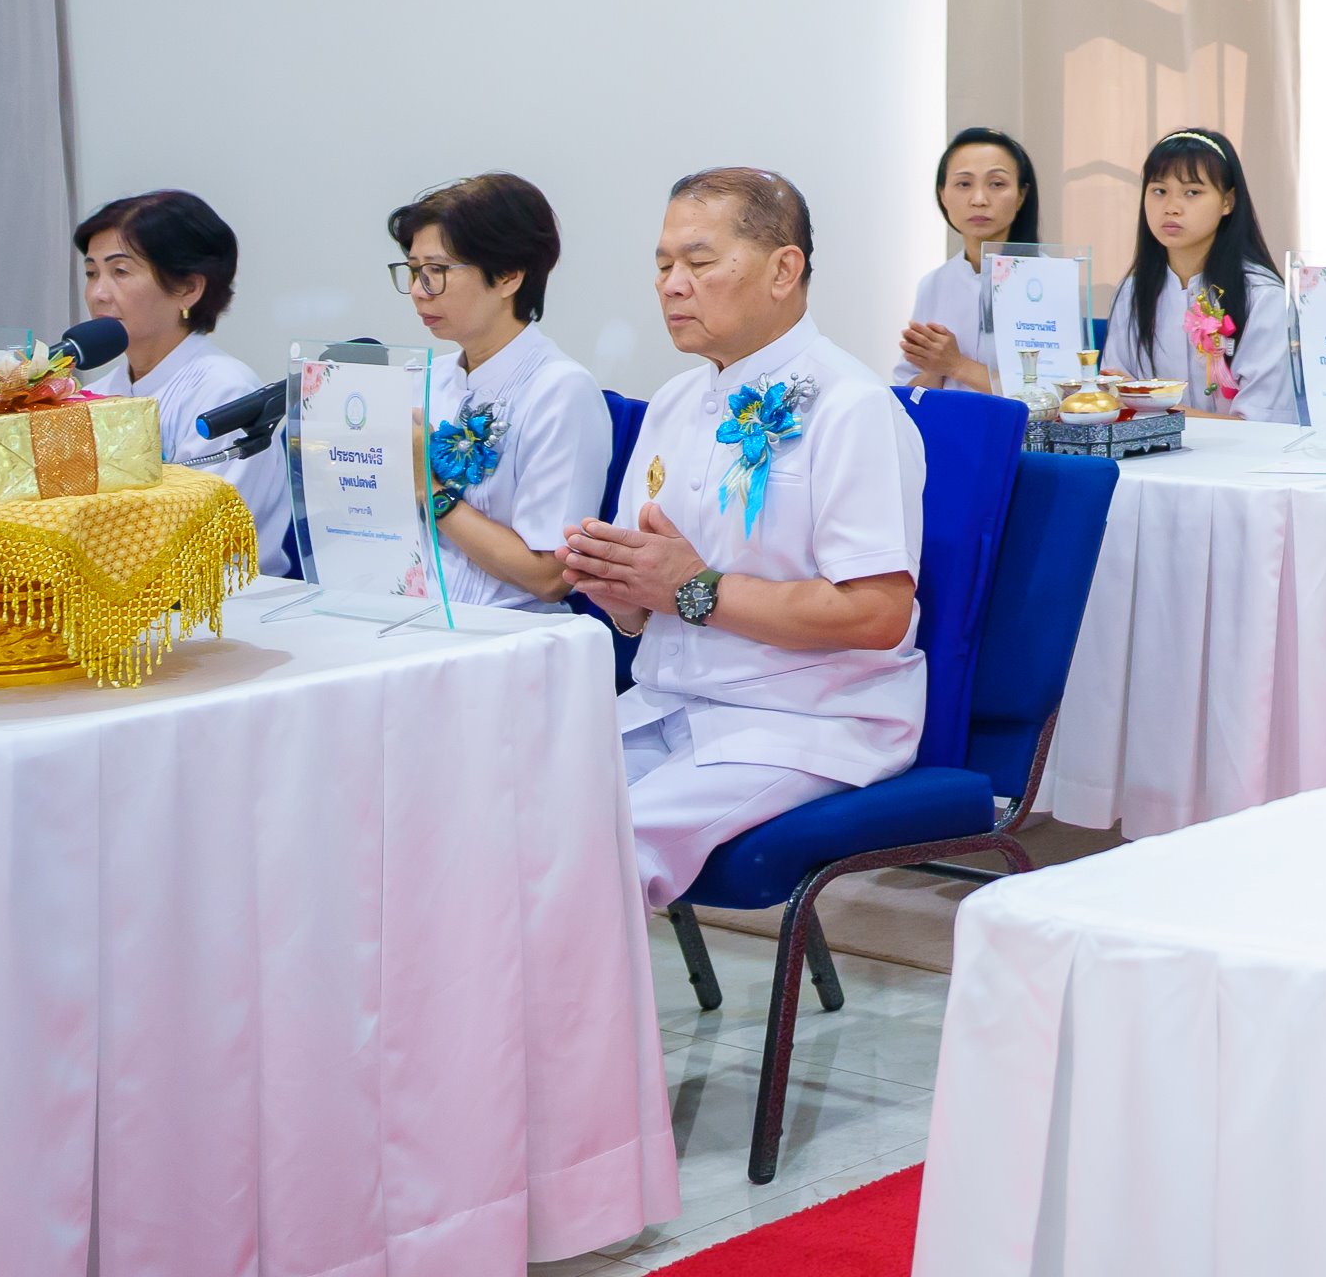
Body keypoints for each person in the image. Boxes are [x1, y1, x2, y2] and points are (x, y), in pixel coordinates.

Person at [562, 168, 926, 911]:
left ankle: (563, 1030)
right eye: (663, 265)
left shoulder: (851, 408)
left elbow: (875, 615)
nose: (671, 285)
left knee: (590, 859)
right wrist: (622, 594)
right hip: (668, 704)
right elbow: (654, 601)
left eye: (699, 263)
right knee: (496, 815)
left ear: (783, 270)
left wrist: (692, 590)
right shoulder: (672, 404)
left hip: (805, 720)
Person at [391, 173, 611, 614]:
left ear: (509, 274)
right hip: (411, 619)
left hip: (510, 637)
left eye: (436, 271)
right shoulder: (425, 381)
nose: (417, 291)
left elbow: (549, 576)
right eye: (413, 271)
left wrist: (429, 488)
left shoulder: (560, 391)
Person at [77, 190, 285, 573]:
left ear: (188, 288)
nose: (98, 294)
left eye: (120, 272)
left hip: (223, 607)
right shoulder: (97, 394)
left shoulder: (225, 391)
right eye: (92, 273)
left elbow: (202, 540)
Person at [1100, 129, 1296, 421]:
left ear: (1227, 202)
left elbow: (1261, 425)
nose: (1171, 207)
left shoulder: (1263, 297)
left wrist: (1153, 409)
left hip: (1238, 462)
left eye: (1192, 192)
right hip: (1148, 461)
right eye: (1159, 191)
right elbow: (1113, 398)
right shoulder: (1132, 292)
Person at [896, 127, 1040, 390]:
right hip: (949, 431)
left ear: (1021, 195)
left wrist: (956, 365)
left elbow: (1056, 393)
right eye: (964, 184)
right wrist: (933, 367)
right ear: (942, 194)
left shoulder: (1047, 280)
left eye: (997, 184)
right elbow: (909, 395)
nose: (979, 199)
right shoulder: (933, 284)